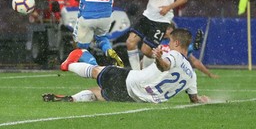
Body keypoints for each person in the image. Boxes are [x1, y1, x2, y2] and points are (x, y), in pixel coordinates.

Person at [43, 28, 210, 104]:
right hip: (139, 99)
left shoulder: (173, 55)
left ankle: (68, 64)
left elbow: (165, 67)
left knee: (96, 71)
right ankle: (72, 99)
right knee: (97, 93)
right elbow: (194, 100)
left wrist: (159, 58)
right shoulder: (192, 76)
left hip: (130, 81)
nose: (169, 44)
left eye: (171, 41)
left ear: (177, 42)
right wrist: (202, 100)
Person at [143, 23, 219, 78]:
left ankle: (193, 47)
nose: (166, 31)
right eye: (166, 29)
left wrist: (209, 74)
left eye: (169, 29)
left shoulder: (176, 45)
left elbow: (195, 61)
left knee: (178, 54)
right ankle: (193, 47)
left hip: (168, 70)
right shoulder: (156, 41)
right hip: (156, 68)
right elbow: (146, 56)